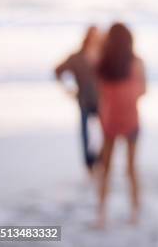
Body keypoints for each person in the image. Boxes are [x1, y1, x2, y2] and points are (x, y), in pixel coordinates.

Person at [95, 23, 146, 228]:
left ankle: (101, 214)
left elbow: (100, 94)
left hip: (109, 120)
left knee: (105, 168)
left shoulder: (102, 64)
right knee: (131, 168)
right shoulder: (137, 63)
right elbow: (143, 91)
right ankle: (134, 212)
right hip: (131, 119)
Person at [55, 25, 102, 175]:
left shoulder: (104, 55)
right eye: (93, 35)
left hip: (102, 100)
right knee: (85, 132)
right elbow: (58, 70)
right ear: (87, 36)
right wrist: (68, 89)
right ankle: (88, 164)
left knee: (104, 132)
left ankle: (100, 160)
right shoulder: (77, 57)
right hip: (84, 99)